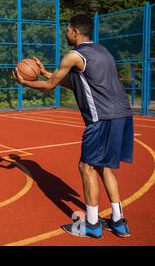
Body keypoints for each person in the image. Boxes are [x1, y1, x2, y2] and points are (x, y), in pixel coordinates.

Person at [12, 13, 133, 239]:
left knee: (86, 167)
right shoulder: (102, 51)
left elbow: (49, 87)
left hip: (101, 118)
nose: (65, 33)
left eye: (67, 29)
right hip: (122, 115)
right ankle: (118, 221)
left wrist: (25, 81)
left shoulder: (73, 56)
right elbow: (78, 84)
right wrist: (49, 72)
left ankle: (93, 225)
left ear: (76, 32)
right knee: (104, 166)